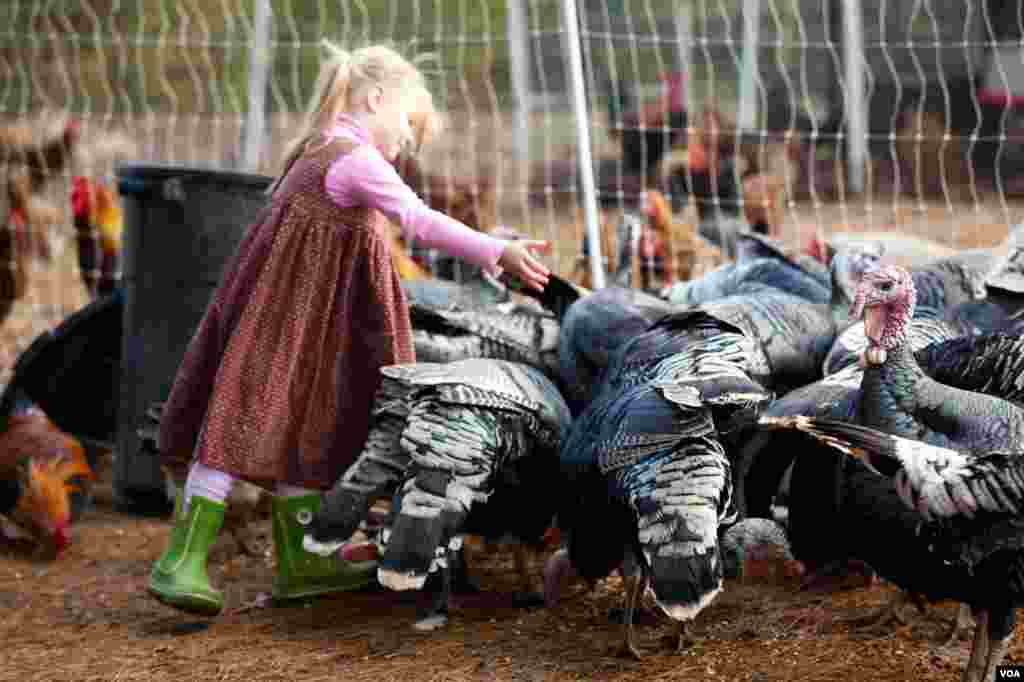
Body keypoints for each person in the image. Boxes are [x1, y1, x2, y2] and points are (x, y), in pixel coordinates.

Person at [147, 41, 551, 616]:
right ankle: (180, 561)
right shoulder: (354, 160)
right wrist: (497, 250)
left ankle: (304, 562)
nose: (407, 141)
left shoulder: (317, 148)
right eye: (407, 123)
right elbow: (417, 219)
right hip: (289, 317)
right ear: (376, 98)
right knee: (239, 421)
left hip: (299, 319)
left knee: (299, 422)